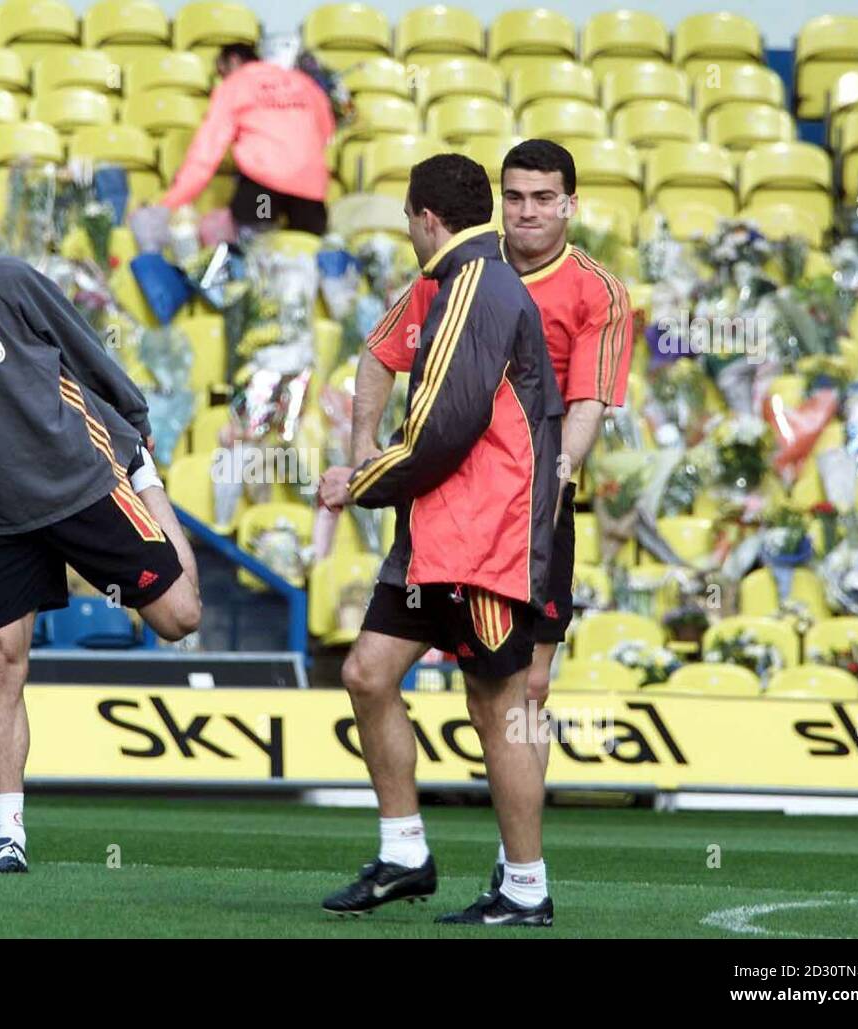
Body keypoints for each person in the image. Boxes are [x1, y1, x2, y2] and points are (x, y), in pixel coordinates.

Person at [0, 175, 201, 874]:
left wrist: (132, 434)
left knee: (180, 617)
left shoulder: (8, 281)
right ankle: (9, 835)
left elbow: (86, 352)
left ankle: (149, 480)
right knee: (1, 664)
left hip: (79, 481)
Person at [317, 154, 563, 926]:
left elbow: (442, 432)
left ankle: (526, 886)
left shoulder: (476, 288)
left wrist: (358, 478)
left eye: (406, 217)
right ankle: (404, 853)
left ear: (428, 218)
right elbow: (390, 363)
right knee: (366, 672)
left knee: (498, 707)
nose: (406, 229)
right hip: (434, 536)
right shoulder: (463, 284)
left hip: (482, 541)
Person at [490, 138, 633, 891]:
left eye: (543, 197)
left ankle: (518, 865)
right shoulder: (469, 269)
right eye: (515, 196)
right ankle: (403, 845)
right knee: (465, 680)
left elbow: (588, 399)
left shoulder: (596, 289)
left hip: (540, 507)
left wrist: (557, 475)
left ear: (570, 205)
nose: (528, 211)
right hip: (461, 503)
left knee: (530, 687)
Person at [159, 43, 334, 235]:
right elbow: (326, 132)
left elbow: (207, 151)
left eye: (221, 72)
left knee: (257, 245)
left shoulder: (235, 84)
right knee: (307, 252)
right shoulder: (302, 82)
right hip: (310, 189)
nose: (222, 79)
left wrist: (171, 203)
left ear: (233, 61)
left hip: (264, 188)